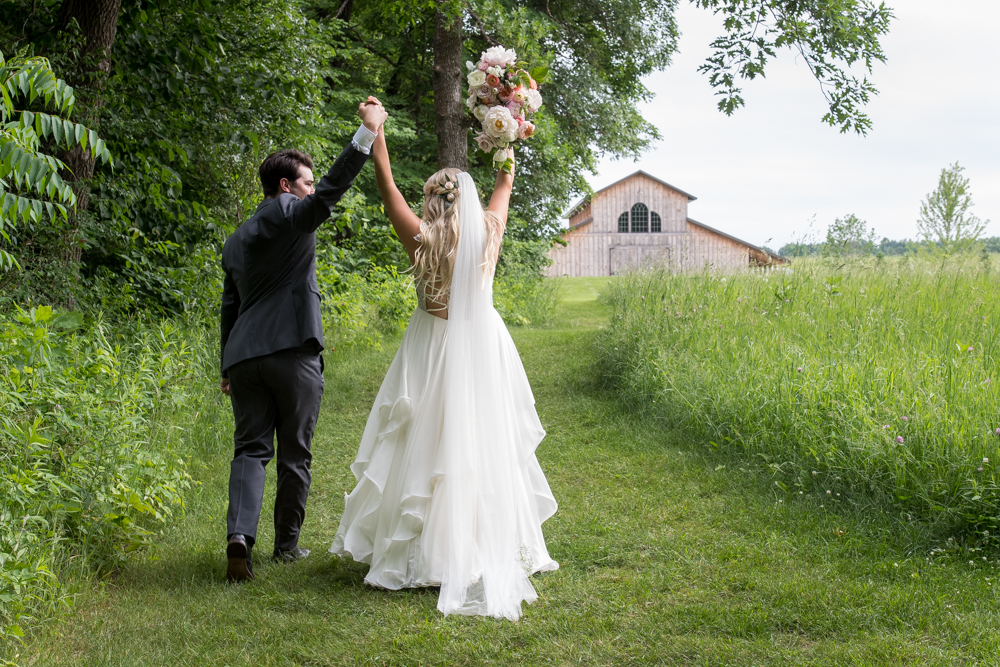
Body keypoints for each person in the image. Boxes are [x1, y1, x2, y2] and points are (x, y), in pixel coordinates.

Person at [330, 104, 559, 620]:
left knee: (425, 442)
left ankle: (420, 549)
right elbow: (504, 181)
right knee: (482, 439)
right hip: (482, 344)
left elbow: (385, 185)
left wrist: (378, 131)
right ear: (468, 202)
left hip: (430, 344)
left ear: (431, 201)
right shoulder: (491, 234)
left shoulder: (418, 238)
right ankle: (477, 547)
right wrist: (508, 127)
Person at [219, 98, 389, 582]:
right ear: (285, 186)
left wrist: (225, 366)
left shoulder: (236, 239)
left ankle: (240, 537)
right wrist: (366, 134)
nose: (311, 189)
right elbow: (329, 194)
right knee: (295, 453)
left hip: (244, 358)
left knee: (250, 449)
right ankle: (286, 548)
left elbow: (229, 307)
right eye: (305, 182)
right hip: (292, 352)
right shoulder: (290, 213)